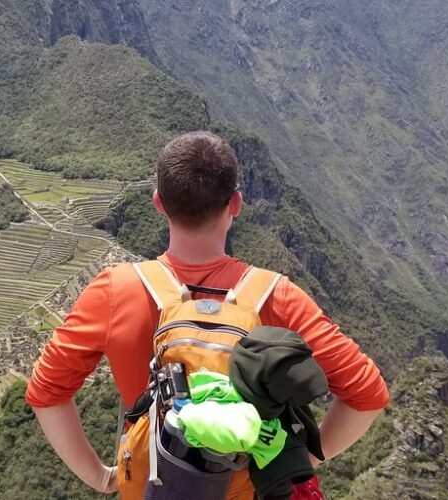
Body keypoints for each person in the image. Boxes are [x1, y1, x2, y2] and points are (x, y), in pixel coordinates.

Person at [25, 131, 389, 498]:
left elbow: (46, 395)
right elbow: (368, 396)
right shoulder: (277, 297)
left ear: (158, 203)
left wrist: (103, 477)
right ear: (235, 204)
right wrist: (298, 461)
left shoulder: (115, 291)